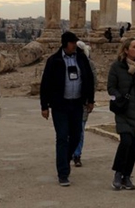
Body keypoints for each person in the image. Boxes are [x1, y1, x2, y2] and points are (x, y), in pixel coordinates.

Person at [40, 31, 95, 187]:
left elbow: (89, 78)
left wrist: (90, 100)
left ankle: (66, 158)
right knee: (63, 137)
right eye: (72, 43)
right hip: (60, 105)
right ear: (65, 44)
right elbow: (46, 84)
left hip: (77, 103)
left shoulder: (81, 58)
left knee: (77, 135)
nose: (75, 46)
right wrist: (44, 106)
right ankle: (63, 173)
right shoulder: (54, 60)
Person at [108, 37, 135, 190]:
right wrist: (119, 99)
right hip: (123, 111)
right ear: (126, 50)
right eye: (134, 46)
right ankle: (118, 173)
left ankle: (127, 176)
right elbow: (111, 87)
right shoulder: (117, 67)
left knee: (134, 145)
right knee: (126, 141)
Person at [72, 40, 98, 168]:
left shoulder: (89, 65)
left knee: (80, 129)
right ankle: (72, 153)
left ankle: (77, 154)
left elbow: (93, 83)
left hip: (82, 102)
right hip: (70, 101)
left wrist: (90, 100)